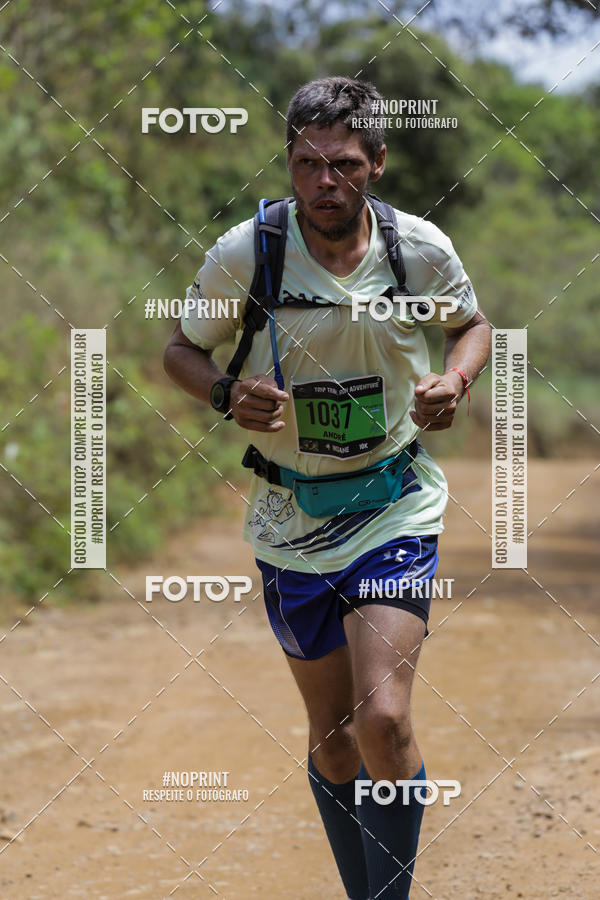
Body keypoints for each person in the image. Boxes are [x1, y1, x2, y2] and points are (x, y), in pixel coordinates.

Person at [164, 76, 491, 899]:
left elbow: (471, 326)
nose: (323, 182)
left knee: (384, 720)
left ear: (376, 163)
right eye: (307, 164)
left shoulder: (418, 249)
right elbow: (180, 347)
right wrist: (223, 393)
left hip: (394, 502)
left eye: (342, 164)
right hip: (287, 518)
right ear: (289, 164)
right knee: (336, 737)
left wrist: (455, 379)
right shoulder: (251, 253)